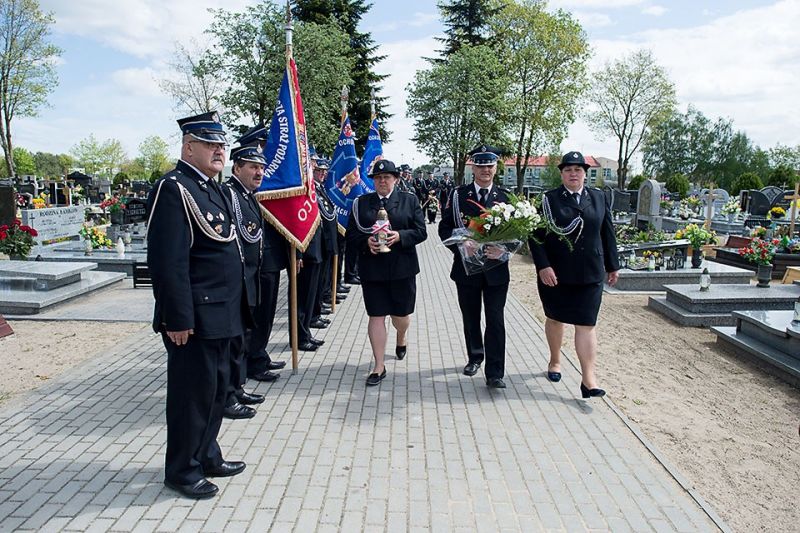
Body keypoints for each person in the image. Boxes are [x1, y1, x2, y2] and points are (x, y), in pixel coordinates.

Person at [146, 111, 246, 499]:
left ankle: (207, 454)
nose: (220, 151)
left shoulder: (213, 188)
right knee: (191, 397)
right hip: (195, 317)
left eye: (222, 144)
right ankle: (181, 470)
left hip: (223, 313)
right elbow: (168, 262)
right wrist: (177, 317)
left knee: (217, 390)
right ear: (189, 146)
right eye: (211, 144)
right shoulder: (173, 188)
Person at [528, 151, 620, 398]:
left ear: (584, 174)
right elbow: (536, 237)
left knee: (587, 323)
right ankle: (555, 360)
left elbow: (607, 233)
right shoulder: (548, 200)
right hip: (556, 274)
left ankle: (589, 379)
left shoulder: (599, 198)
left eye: (578, 170)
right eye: (568, 169)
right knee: (556, 319)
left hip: (590, 272)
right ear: (561, 173)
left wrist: (613, 265)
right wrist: (543, 266)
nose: (573, 174)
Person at [346, 159, 427, 386]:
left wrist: (401, 236)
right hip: (373, 269)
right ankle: (379, 365)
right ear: (373, 181)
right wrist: (366, 243)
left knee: (400, 317)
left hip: (402, 268)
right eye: (378, 178)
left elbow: (421, 232)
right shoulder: (361, 203)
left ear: (396, 179)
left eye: (387, 177)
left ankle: (401, 336)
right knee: (377, 315)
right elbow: (351, 234)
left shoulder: (409, 201)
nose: (382, 181)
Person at [438, 145, 511, 388]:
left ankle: (495, 372)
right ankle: (475, 356)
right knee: (471, 317)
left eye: (489, 165)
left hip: (496, 270)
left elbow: (517, 235)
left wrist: (504, 250)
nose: (485, 170)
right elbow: (444, 228)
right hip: (466, 269)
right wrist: (461, 245)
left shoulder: (506, 197)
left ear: (495, 167)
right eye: (480, 165)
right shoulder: (458, 195)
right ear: (473, 167)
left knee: (495, 319)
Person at [221, 143, 268, 420]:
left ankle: (237, 387)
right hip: (236, 279)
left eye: (261, 168)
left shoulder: (249, 195)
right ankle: (227, 395)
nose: (258, 172)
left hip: (249, 276)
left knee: (241, 339)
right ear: (237, 167)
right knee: (231, 342)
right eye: (252, 167)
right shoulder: (229, 194)